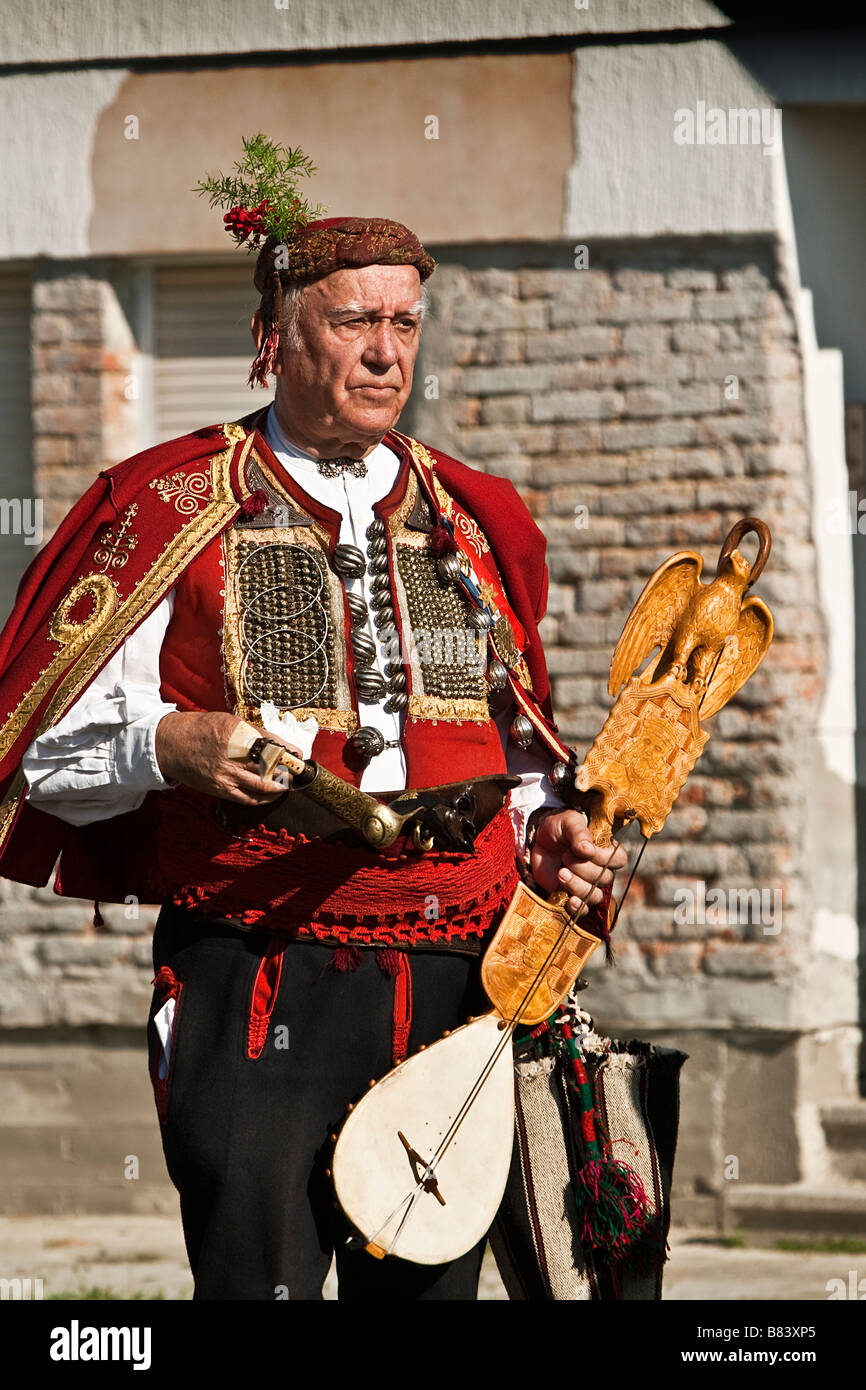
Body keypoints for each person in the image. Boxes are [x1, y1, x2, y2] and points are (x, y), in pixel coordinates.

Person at [0, 207, 626, 1300]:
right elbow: (33, 751)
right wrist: (166, 741)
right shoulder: (170, 507)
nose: (386, 350)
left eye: (404, 322)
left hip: (454, 987)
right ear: (271, 337)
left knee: (430, 1294)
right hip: (257, 977)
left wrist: (548, 829)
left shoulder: (468, 516)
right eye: (352, 322)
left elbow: (517, 746)